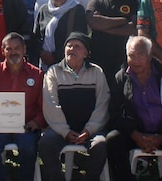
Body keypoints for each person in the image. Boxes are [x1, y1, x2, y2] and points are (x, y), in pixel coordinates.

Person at [107, 36, 162, 181]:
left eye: (141, 55)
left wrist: (161, 135)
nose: (136, 60)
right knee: (113, 140)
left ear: (150, 55)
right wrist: (135, 134)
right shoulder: (121, 78)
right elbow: (114, 114)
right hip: (135, 132)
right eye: (131, 56)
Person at [0, 32, 46, 181]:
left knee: (29, 148)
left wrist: (36, 122)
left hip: (26, 127)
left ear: (24, 50)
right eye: (9, 49)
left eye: (17, 48)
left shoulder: (37, 75)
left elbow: (44, 106)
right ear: (3, 51)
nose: (13, 52)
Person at [39, 33, 110, 181]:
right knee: (46, 143)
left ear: (86, 53)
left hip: (90, 130)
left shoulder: (96, 72)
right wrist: (65, 131)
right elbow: (51, 103)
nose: (72, 49)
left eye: (77, 47)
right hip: (61, 129)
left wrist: (89, 130)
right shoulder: (53, 72)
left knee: (101, 145)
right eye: (69, 46)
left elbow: (103, 103)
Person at [86, 0, 139, 86]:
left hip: (123, 61)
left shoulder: (133, 4)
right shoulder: (96, 2)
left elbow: (133, 29)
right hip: (98, 61)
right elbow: (93, 22)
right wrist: (122, 21)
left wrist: (103, 25)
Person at [35, 0, 89, 70]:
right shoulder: (44, 9)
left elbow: (80, 39)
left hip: (67, 64)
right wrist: (42, 54)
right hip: (43, 63)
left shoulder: (76, 10)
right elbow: (36, 37)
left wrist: (54, 56)